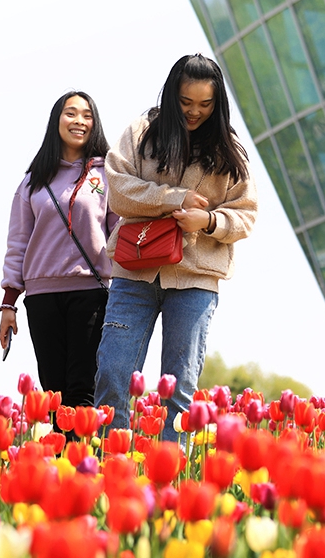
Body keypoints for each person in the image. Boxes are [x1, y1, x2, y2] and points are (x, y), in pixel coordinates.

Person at [95, 54, 257, 441]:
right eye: (186, 103)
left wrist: (210, 221)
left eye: (205, 105)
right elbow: (117, 189)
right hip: (134, 271)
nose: (194, 112)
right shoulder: (141, 131)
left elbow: (246, 215)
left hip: (196, 278)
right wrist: (174, 198)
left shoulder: (228, 149)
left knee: (179, 386)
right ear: (171, 96)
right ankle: (110, 469)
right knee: (112, 372)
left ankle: (171, 484)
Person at [0, 91, 116, 412]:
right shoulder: (32, 182)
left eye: (87, 115)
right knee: (54, 392)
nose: (79, 121)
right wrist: (9, 304)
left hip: (90, 293)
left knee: (83, 389)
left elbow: (120, 234)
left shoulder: (107, 175)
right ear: (57, 121)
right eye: (71, 113)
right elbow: (17, 244)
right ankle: (60, 459)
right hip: (41, 298)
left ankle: (83, 461)